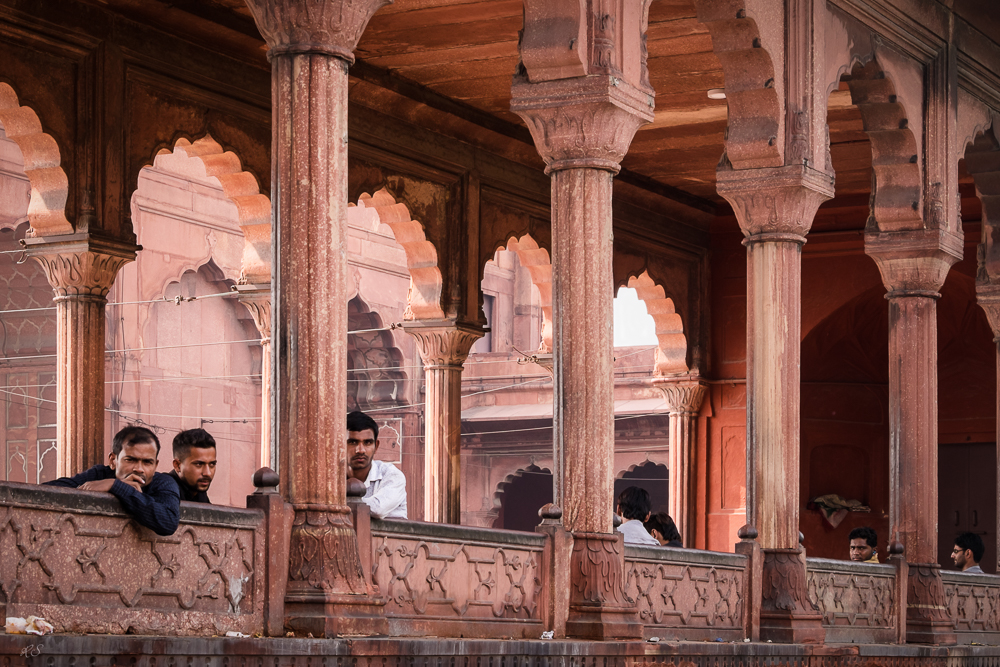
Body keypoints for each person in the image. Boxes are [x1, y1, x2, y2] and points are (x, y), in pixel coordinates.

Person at [45, 425, 180, 536]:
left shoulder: (164, 483)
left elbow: (168, 523)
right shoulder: (100, 474)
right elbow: (46, 492)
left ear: (156, 465)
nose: (139, 469)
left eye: (147, 462)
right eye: (130, 460)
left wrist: (116, 486)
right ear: (113, 460)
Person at [346, 410, 407, 519]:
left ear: (376, 446)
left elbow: (378, 509)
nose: (361, 450)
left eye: (367, 443)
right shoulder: (331, 477)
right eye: (353, 442)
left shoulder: (392, 475)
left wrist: (336, 502)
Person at [169, 428, 217, 503]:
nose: (207, 473)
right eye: (199, 464)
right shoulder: (165, 490)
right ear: (177, 465)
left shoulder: (198, 492)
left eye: (212, 464)